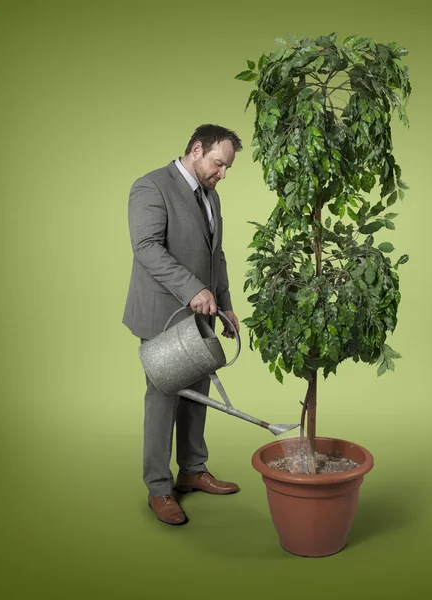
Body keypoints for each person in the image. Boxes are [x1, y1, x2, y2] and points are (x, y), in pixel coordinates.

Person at [123, 124, 242, 526]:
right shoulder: (151, 187)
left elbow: (216, 254)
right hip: (163, 314)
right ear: (196, 150)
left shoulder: (211, 196)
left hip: (203, 315)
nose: (222, 173)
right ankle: (159, 488)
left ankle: (193, 469)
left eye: (226, 168)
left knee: (198, 394)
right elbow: (146, 249)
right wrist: (193, 290)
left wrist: (225, 305)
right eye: (218, 164)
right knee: (164, 397)